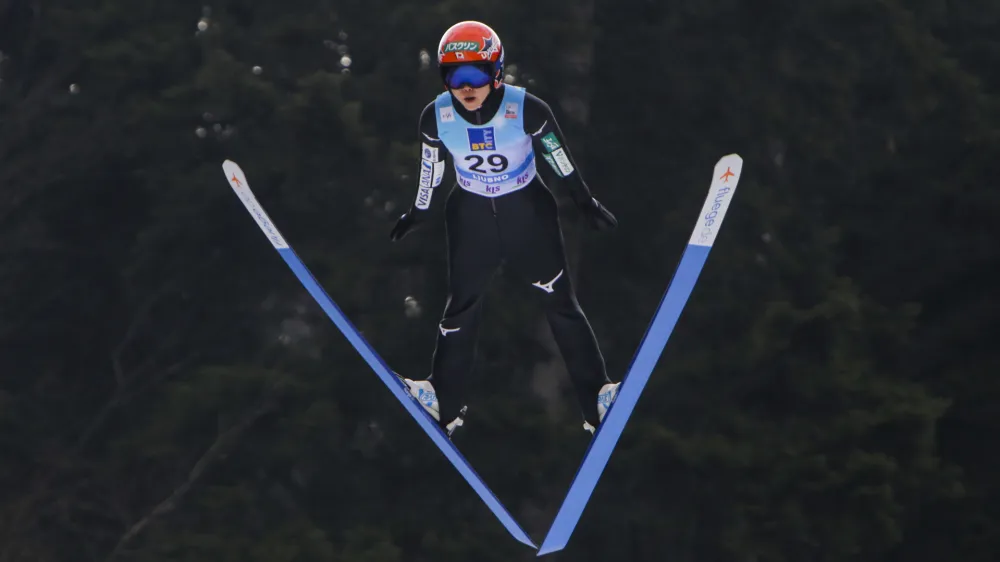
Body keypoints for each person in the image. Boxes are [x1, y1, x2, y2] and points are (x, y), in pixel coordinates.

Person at [390, 21, 620, 437]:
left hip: (526, 210)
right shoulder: (436, 117)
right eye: (453, 76)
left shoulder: (526, 109)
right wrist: (419, 212)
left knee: (560, 302)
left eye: (475, 73)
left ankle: (597, 398)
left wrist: (583, 201)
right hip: (470, 213)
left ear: (496, 72)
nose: (465, 86)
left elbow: (558, 158)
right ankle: (445, 401)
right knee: (461, 307)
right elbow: (429, 171)